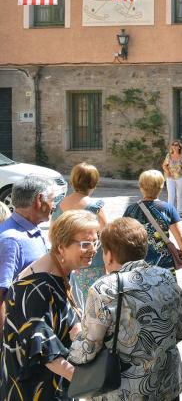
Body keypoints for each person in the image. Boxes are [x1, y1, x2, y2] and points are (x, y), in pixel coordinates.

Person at [68, 217, 182, 401]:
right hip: (167, 385)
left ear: (108, 254)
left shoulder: (104, 289)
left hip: (125, 391)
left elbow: (88, 349)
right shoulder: (165, 277)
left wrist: (75, 338)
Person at [0, 210, 99, 401]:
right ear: (62, 247)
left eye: (96, 242)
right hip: (33, 390)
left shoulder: (62, 271)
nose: (94, 249)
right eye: (86, 244)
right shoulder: (34, 288)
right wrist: (92, 385)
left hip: (55, 386)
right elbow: (47, 352)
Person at [0, 176, 56, 326]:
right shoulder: (11, 240)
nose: (54, 206)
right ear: (39, 200)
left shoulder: (31, 228)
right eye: (52, 200)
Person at [56, 163, 109, 308]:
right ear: (93, 183)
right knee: (94, 305)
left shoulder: (58, 204)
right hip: (92, 262)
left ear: (72, 181)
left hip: (64, 262)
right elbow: (106, 233)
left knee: (71, 306)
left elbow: (53, 235)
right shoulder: (95, 206)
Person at [122, 170, 182, 273]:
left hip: (138, 265)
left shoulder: (131, 210)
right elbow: (181, 236)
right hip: (164, 265)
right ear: (162, 186)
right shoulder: (168, 208)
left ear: (141, 187)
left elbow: (122, 236)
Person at [162, 140, 182, 213]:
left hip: (180, 177)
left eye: (176, 145)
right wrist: (168, 172)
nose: (174, 146)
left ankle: (179, 211)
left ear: (179, 147)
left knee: (179, 194)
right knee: (171, 195)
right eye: (173, 145)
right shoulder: (168, 155)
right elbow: (164, 165)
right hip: (170, 178)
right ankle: (170, 212)